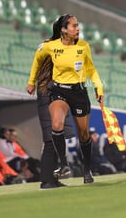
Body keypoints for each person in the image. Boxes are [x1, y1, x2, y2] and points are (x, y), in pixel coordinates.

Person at [26, 14, 104, 185]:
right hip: (59, 90)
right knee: (56, 124)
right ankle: (64, 164)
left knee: (83, 134)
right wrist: (31, 81)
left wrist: (98, 87)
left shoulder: (83, 46)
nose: (78, 29)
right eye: (74, 26)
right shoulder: (50, 46)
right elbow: (37, 60)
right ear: (63, 29)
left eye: (78, 26)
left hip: (79, 92)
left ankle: (87, 169)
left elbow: (91, 69)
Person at [34, 44, 75, 189]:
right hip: (51, 115)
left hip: (53, 114)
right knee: (50, 145)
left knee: (54, 146)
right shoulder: (49, 80)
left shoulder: (46, 77)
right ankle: (46, 181)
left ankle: (52, 178)